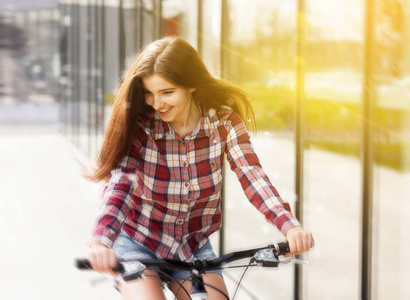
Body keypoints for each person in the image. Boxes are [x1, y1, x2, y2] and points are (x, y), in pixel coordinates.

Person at [88, 36, 314, 300]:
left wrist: (289, 226)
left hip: (192, 247)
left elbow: (251, 175)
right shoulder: (142, 126)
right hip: (139, 242)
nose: (156, 103)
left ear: (191, 84)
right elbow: (120, 186)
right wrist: (101, 240)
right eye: (149, 93)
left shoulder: (224, 122)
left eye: (167, 92)